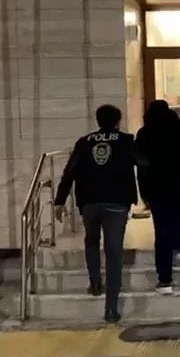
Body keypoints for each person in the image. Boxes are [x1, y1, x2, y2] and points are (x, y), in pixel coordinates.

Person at [53, 105, 137, 324]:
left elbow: (69, 172)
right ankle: (111, 309)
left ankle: (95, 283)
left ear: (98, 121)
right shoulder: (127, 141)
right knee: (114, 252)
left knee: (91, 241)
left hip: (89, 202)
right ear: (117, 121)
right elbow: (144, 163)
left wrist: (59, 200)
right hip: (117, 203)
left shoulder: (84, 142)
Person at [136, 100, 180, 295]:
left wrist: (144, 193)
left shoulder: (145, 133)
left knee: (161, 232)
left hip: (156, 188)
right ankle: (179, 246)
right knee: (176, 214)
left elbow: (141, 165)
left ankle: (165, 279)